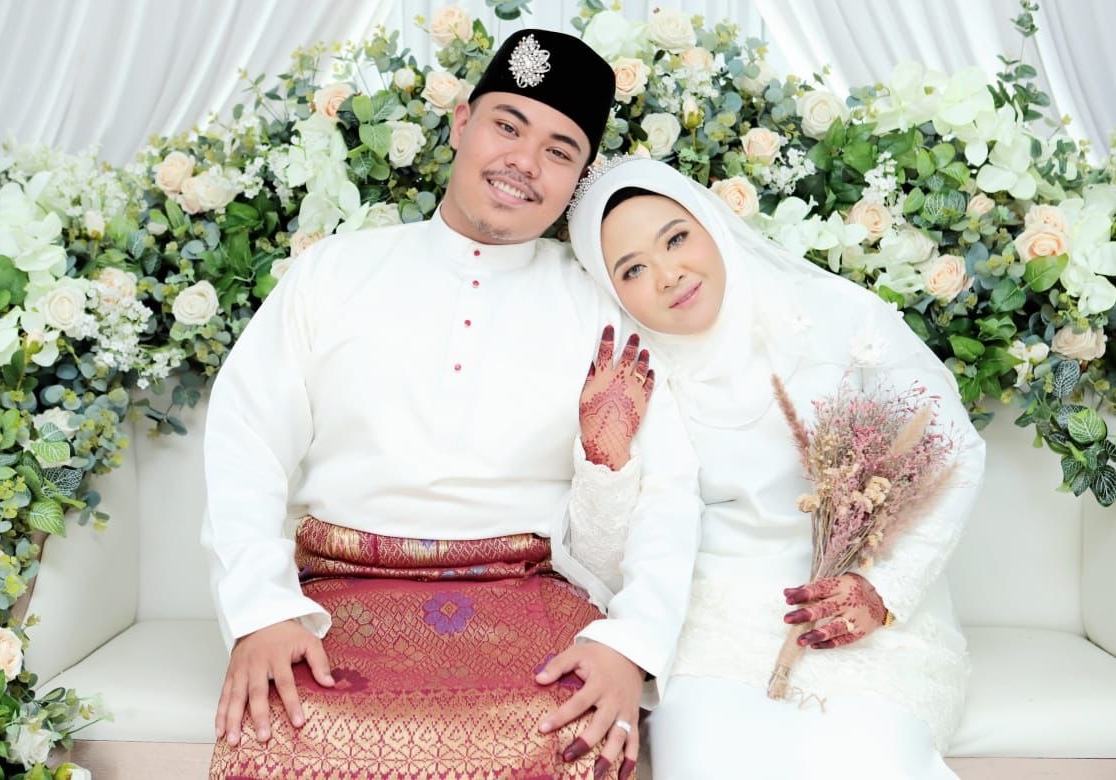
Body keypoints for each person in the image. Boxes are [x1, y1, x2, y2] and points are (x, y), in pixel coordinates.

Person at [200, 31, 701, 780]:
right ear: (461, 123)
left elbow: (668, 488)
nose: (524, 162)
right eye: (508, 126)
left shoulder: (599, 307)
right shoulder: (335, 272)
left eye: (559, 151)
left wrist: (629, 645)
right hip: (337, 590)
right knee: (291, 724)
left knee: (568, 732)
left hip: (529, 593)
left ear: (579, 178)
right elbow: (247, 442)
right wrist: (263, 612)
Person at [561, 157, 987, 779]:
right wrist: (608, 456)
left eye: (675, 239)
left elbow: (954, 450)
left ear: (710, 224)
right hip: (712, 625)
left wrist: (882, 592)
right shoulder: (639, 374)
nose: (668, 275)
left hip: (861, 608)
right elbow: (638, 544)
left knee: (869, 760)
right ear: (612, 288)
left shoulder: (841, 316)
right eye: (633, 269)